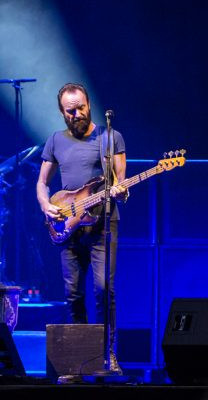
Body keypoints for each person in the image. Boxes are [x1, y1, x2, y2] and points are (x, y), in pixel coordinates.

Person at [36, 83, 128, 375]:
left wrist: (120, 191)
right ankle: (75, 361)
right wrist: (44, 204)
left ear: (89, 105)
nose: (77, 114)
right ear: (62, 112)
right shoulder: (54, 140)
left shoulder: (111, 137)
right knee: (73, 293)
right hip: (69, 223)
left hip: (102, 225)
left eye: (81, 108)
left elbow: (121, 183)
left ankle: (106, 356)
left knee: (103, 290)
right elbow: (42, 183)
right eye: (70, 110)